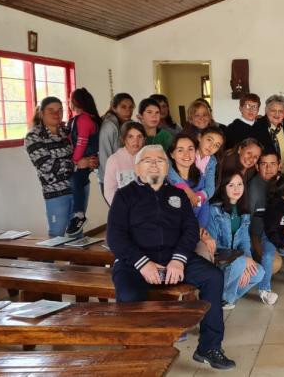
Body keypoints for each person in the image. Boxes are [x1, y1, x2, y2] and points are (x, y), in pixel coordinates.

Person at [107, 144, 235, 370]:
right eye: (148, 160)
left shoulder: (178, 194)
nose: (155, 163)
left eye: (160, 160)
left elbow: (189, 230)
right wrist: (143, 263)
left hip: (174, 257)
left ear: (167, 167)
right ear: (137, 168)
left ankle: (209, 347)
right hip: (135, 262)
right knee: (128, 294)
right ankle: (137, 354)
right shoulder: (125, 196)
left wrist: (178, 259)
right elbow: (115, 237)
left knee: (213, 277)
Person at [25, 97, 95, 238]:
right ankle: (48, 261)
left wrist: (91, 161)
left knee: (76, 233)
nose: (56, 114)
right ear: (41, 113)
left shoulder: (66, 131)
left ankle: (77, 261)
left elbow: (82, 150)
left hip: (80, 188)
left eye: (60, 110)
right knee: (56, 234)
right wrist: (77, 164)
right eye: (51, 110)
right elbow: (45, 165)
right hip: (56, 193)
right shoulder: (33, 136)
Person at [204, 172, 266, 309]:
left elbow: (244, 240)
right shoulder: (214, 210)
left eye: (240, 184)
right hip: (218, 260)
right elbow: (214, 245)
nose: (236, 189)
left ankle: (224, 299)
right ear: (223, 188)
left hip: (236, 260)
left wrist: (246, 259)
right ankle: (221, 299)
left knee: (259, 272)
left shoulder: (243, 211)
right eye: (231, 185)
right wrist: (242, 260)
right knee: (239, 263)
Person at [246, 151, 283, 305]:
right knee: (274, 265)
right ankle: (256, 261)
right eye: (264, 164)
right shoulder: (253, 187)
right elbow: (246, 220)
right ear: (256, 166)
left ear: (279, 165)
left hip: (278, 230)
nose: (268, 168)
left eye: (273, 164)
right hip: (260, 234)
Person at [66, 88, 101, 236]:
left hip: (83, 160)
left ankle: (79, 215)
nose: (68, 102)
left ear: (75, 102)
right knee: (78, 182)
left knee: (76, 181)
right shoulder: (80, 119)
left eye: (70, 99)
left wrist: (75, 162)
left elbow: (81, 143)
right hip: (84, 160)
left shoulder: (84, 119)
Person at [168, 126, 225, 208]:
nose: (211, 146)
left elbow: (210, 187)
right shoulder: (188, 152)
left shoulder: (212, 161)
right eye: (209, 140)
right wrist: (188, 191)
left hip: (198, 200)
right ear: (199, 137)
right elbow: (169, 171)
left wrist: (198, 198)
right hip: (179, 193)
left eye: (217, 145)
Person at [168, 133, 211, 228]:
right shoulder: (167, 180)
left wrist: (200, 228)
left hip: (197, 227)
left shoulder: (200, 176)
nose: (186, 154)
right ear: (172, 155)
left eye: (190, 149)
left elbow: (203, 205)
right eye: (180, 150)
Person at [98, 93, 135, 194]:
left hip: (126, 177)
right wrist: (113, 180)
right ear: (114, 108)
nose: (128, 111)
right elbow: (104, 156)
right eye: (123, 107)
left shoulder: (127, 124)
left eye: (131, 107)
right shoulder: (109, 126)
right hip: (111, 180)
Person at [103, 121, 146, 205]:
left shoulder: (150, 157)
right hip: (124, 208)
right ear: (123, 139)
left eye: (139, 137)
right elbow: (109, 191)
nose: (135, 141)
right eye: (130, 137)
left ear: (144, 139)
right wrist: (120, 209)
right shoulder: (114, 160)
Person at [251, 95, 284, 173]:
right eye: (273, 110)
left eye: (280, 111)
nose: (277, 114)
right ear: (266, 110)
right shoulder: (257, 126)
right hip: (265, 173)